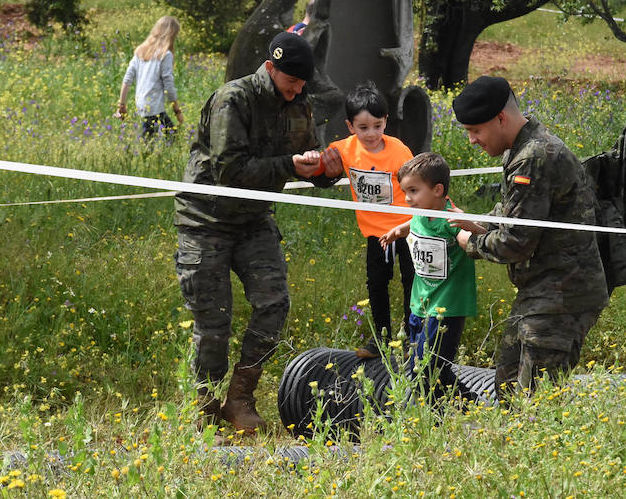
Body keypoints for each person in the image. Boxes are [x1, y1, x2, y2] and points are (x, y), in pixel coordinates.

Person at [173, 32, 341, 434]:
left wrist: (325, 171)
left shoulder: (299, 104)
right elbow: (230, 171)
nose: (296, 90)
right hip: (206, 219)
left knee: (274, 303)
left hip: (253, 220)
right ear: (270, 68)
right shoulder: (233, 99)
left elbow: (305, 160)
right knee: (214, 323)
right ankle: (204, 407)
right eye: (291, 82)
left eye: (302, 84)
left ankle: (240, 399)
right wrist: (290, 165)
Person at [448, 75, 609, 399]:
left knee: (535, 403)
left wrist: (471, 243)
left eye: (475, 130)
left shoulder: (534, 157)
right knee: (507, 387)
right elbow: (514, 215)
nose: (472, 140)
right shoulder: (521, 149)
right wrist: (476, 221)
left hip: (562, 295)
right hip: (540, 290)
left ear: (500, 118)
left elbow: (517, 242)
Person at [321, 83, 415, 358]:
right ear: (350, 126)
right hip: (375, 233)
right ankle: (381, 339)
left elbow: (417, 184)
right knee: (376, 283)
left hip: (406, 228)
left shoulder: (399, 152)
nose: (371, 133)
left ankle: (411, 337)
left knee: (411, 281)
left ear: (386, 121)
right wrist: (320, 165)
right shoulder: (343, 149)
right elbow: (323, 166)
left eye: (377, 125)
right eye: (363, 127)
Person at [379, 152, 479, 402]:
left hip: (446, 307)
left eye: (413, 190)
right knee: (423, 366)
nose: (407, 198)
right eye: (405, 191)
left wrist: (472, 227)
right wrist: (398, 231)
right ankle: (465, 405)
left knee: (428, 368)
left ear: (437, 189)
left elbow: (471, 238)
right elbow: (414, 224)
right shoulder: (422, 211)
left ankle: (466, 404)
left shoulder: (451, 218)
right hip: (420, 304)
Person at [115, 15, 184, 138]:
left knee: (166, 136)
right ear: (171, 35)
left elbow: (127, 79)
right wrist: (177, 111)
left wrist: (122, 105)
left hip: (142, 103)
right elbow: (169, 85)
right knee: (164, 138)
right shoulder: (165, 55)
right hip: (154, 106)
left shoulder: (140, 51)